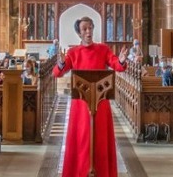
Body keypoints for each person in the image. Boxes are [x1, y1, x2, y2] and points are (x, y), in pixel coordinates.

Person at [53, 16, 128, 177]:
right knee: (81, 140)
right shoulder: (73, 52)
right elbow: (58, 72)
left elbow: (117, 66)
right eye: (84, 29)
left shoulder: (103, 49)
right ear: (79, 34)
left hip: (100, 103)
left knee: (100, 140)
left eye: (90, 28)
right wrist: (60, 63)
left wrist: (121, 61)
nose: (88, 32)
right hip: (80, 106)